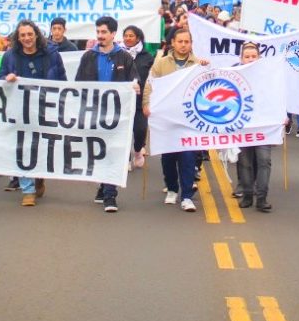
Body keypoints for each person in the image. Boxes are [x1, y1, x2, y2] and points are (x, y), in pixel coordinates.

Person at [0, 20, 66, 206]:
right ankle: (27, 189)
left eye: (29, 34)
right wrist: (6, 78)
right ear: (18, 38)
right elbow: (0, 77)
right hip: (19, 110)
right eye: (22, 35)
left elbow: (62, 80)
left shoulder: (52, 55)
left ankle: (39, 177)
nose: (26, 38)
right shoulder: (10, 56)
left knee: (41, 147)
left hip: (45, 109)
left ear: (36, 35)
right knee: (21, 146)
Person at [75, 16, 138, 213]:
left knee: (112, 151)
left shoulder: (124, 57)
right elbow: (78, 83)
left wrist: (135, 85)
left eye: (104, 32)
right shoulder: (88, 57)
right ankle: (103, 186)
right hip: (94, 113)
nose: (100, 36)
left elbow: (134, 78)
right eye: (98, 32)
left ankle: (110, 195)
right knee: (99, 152)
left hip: (116, 115)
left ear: (113, 34)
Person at [143, 28, 206, 212]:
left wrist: (206, 68)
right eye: (180, 41)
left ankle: (187, 195)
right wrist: (146, 104)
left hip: (189, 120)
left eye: (187, 42)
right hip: (166, 118)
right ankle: (171, 188)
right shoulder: (161, 64)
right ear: (173, 43)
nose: (184, 45)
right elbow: (150, 85)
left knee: (188, 157)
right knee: (168, 157)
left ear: (191, 44)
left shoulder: (198, 64)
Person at [234, 43, 274, 212]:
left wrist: (282, 116)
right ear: (241, 59)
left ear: (259, 58)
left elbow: (276, 97)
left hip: (263, 127)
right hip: (242, 127)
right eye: (247, 56)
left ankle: (262, 197)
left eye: (253, 56)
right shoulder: (234, 77)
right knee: (244, 162)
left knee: (264, 161)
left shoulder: (269, 76)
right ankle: (247, 195)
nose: (250, 59)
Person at [121, 25, 154, 169]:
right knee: (123, 132)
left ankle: (138, 150)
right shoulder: (117, 54)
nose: (128, 38)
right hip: (122, 101)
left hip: (140, 102)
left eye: (131, 36)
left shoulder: (147, 57)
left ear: (138, 38)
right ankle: (125, 160)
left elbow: (152, 78)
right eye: (126, 35)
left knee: (140, 130)